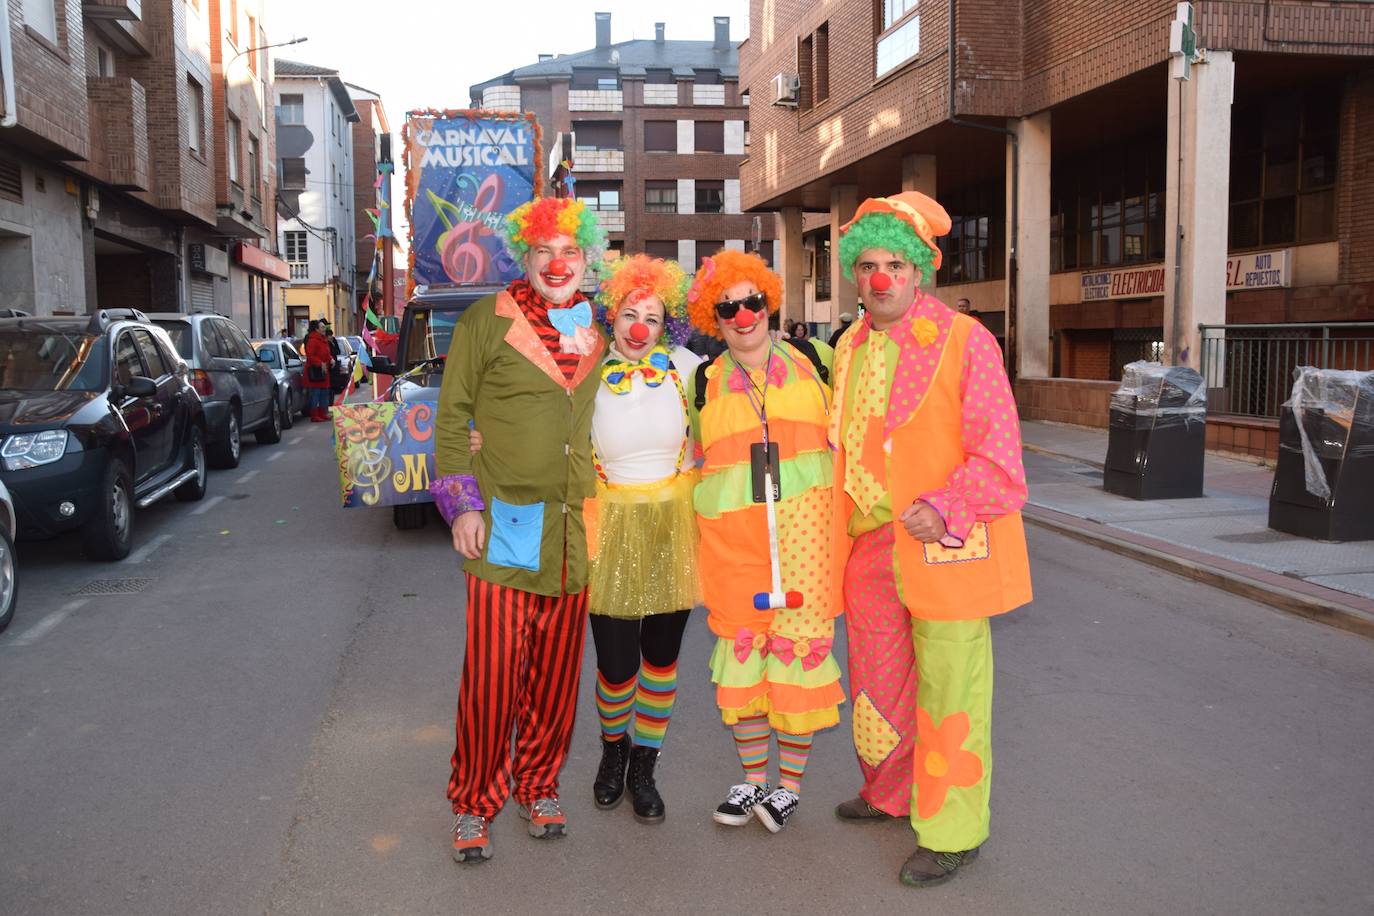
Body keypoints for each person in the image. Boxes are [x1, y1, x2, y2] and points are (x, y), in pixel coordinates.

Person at [828, 191, 1031, 887]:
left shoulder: (965, 341)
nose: (880, 278)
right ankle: (890, 790)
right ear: (855, 274)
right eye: (868, 265)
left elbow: (1000, 459)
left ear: (918, 272)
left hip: (945, 543)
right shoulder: (848, 348)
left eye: (895, 265)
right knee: (878, 684)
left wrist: (944, 507)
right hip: (869, 544)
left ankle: (952, 830)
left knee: (950, 690)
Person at [429, 196, 608, 865]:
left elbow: (654, 365)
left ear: (587, 260)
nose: (557, 264)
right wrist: (462, 503)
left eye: (571, 251)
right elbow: (453, 417)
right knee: (494, 675)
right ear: (524, 256)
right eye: (545, 251)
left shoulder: (599, 327)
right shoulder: (486, 320)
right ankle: (474, 799)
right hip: (506, 519)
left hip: (573, 529)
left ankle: (538, 784)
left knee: (556, 677)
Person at [684, 249, 842, 834]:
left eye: (753, 302)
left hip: (805, 535)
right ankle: (752, 780)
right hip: (734, 540)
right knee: (742, 658)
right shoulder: (703, 379)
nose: (743, 315)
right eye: (728, 307)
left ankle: (788, 789)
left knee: (798, 659)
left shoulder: (816, 358)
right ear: (714, 317)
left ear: (769, 303)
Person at [301, 320, 333, 422]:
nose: (324, 329)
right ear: (317, 329)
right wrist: (320, 363)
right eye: (322, 327)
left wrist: (331, 359)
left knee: (324, 393)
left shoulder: (323, 339)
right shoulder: (312, 340)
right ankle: (314, 415)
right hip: (315, 371)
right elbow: (310, 355)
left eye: (324, 327)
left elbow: (327, 353)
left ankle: (323, 413)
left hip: (324, 371)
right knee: (316, 394)